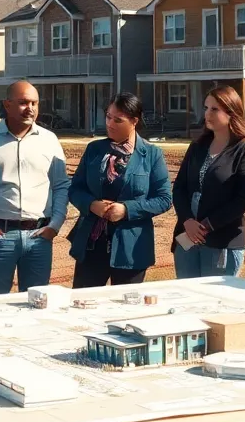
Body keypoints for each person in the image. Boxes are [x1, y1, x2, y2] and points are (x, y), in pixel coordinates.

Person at [0, 80, 70, 294]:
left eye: (35, 103)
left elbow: (61, 185)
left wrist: (55, 225)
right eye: (23, 103)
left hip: (39, 237)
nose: (31, 109)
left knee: (36, 303)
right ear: (7, 105)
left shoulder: (49, 140)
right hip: (0, 238)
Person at [68, 92, 172, 287]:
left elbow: (164, 199)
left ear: (134, 121)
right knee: (83, 305)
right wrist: (92, 205)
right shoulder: (94, 150)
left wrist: (126, 210)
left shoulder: (151, 154)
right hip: (92, 245)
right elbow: (75, 189)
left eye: (118, 120)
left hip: (131, 250)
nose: (110, 124)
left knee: (125, 309)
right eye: (108, 116)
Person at [171, 85, 245, 279]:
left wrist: (205, 226)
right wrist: (187, 221)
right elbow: (179, 188)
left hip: (221, 240)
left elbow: (242, 201)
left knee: (214, 305)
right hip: (187, 238)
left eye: (214, 109)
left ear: (231, 112)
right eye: (205, 108)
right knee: (188, 300)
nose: (207, 114)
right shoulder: (197, 147)